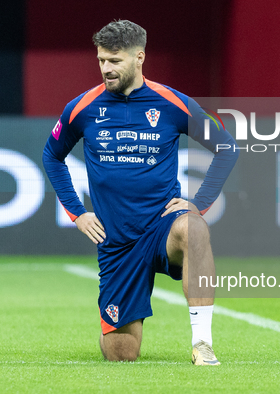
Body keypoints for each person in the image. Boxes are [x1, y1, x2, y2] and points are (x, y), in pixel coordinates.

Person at [43, 20, 238, 365]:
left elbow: (226, 146)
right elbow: (52, 156)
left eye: (115, 61)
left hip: (162, 226)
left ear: (139, 57)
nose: (106, 68)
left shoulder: (172, 103)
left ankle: (203, 344)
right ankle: (112, 322)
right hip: (117, 242)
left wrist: (199, 203)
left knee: (194, 228)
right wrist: (77, 212)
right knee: (122, 356)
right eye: (102, 60)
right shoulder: (82, 107)